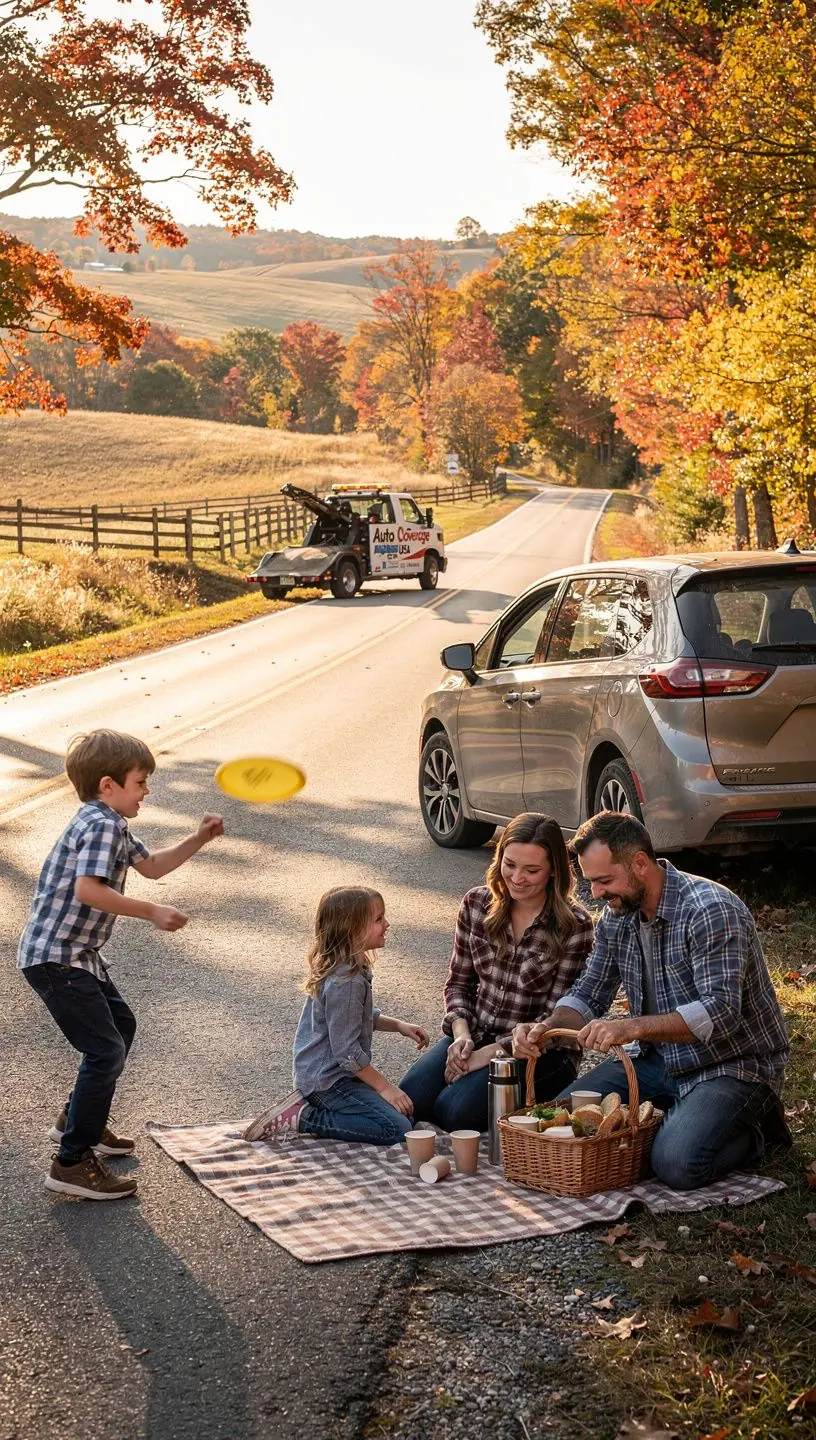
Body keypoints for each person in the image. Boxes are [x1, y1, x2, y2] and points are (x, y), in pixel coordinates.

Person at [513, 812, 791, 1191]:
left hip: (731, 1064)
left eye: (604, 880)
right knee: (567, 1124)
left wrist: (631, 1027)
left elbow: (721, 1012)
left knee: (676, 1164)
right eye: (591, 882)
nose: (595, 893)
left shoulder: (709, 910)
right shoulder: (617, 915)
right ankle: (676, 1122)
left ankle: (754, 1131)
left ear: (640, 864)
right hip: (655, 1060)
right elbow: (588, 992)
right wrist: (545, 1029)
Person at [19, 729, 224, 1201]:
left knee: (121, 1028)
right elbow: (88, 890)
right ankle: (71, 1161)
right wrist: (151, 911)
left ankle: (77, 1119)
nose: (147, 791)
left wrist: (197, 839)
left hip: (75, 955)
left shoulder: (108, 821)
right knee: (105, 1049)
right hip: (58, 957)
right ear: (108, 785)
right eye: (141, 782)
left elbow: (151, 866)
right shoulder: (102, 825)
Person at [400, 814, 594, 1132]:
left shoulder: (575, 926)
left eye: (532, 870)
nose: (517, 878)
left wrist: (485, 1056)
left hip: (540, 1051)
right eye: (510, 864)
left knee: (453, 1112)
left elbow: (555, 1020)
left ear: (554, 870)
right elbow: (459, 983)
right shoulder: (476, 904)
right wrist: (461, 1038)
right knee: (411, 1100)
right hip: (476, 1033)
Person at [243, 887, 429, 1145]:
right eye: (378, 919)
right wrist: (385, 1087)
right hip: (327, 1083)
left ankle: (323, 1109)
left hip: (332, 1076)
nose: (387, 924)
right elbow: (348, 1052)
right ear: (352, 930)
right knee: (397, 1129)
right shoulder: (347, 982)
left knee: (403, 1119)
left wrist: (398, 1025)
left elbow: (353, 1019)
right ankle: (304, 1118)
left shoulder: (347, 968)